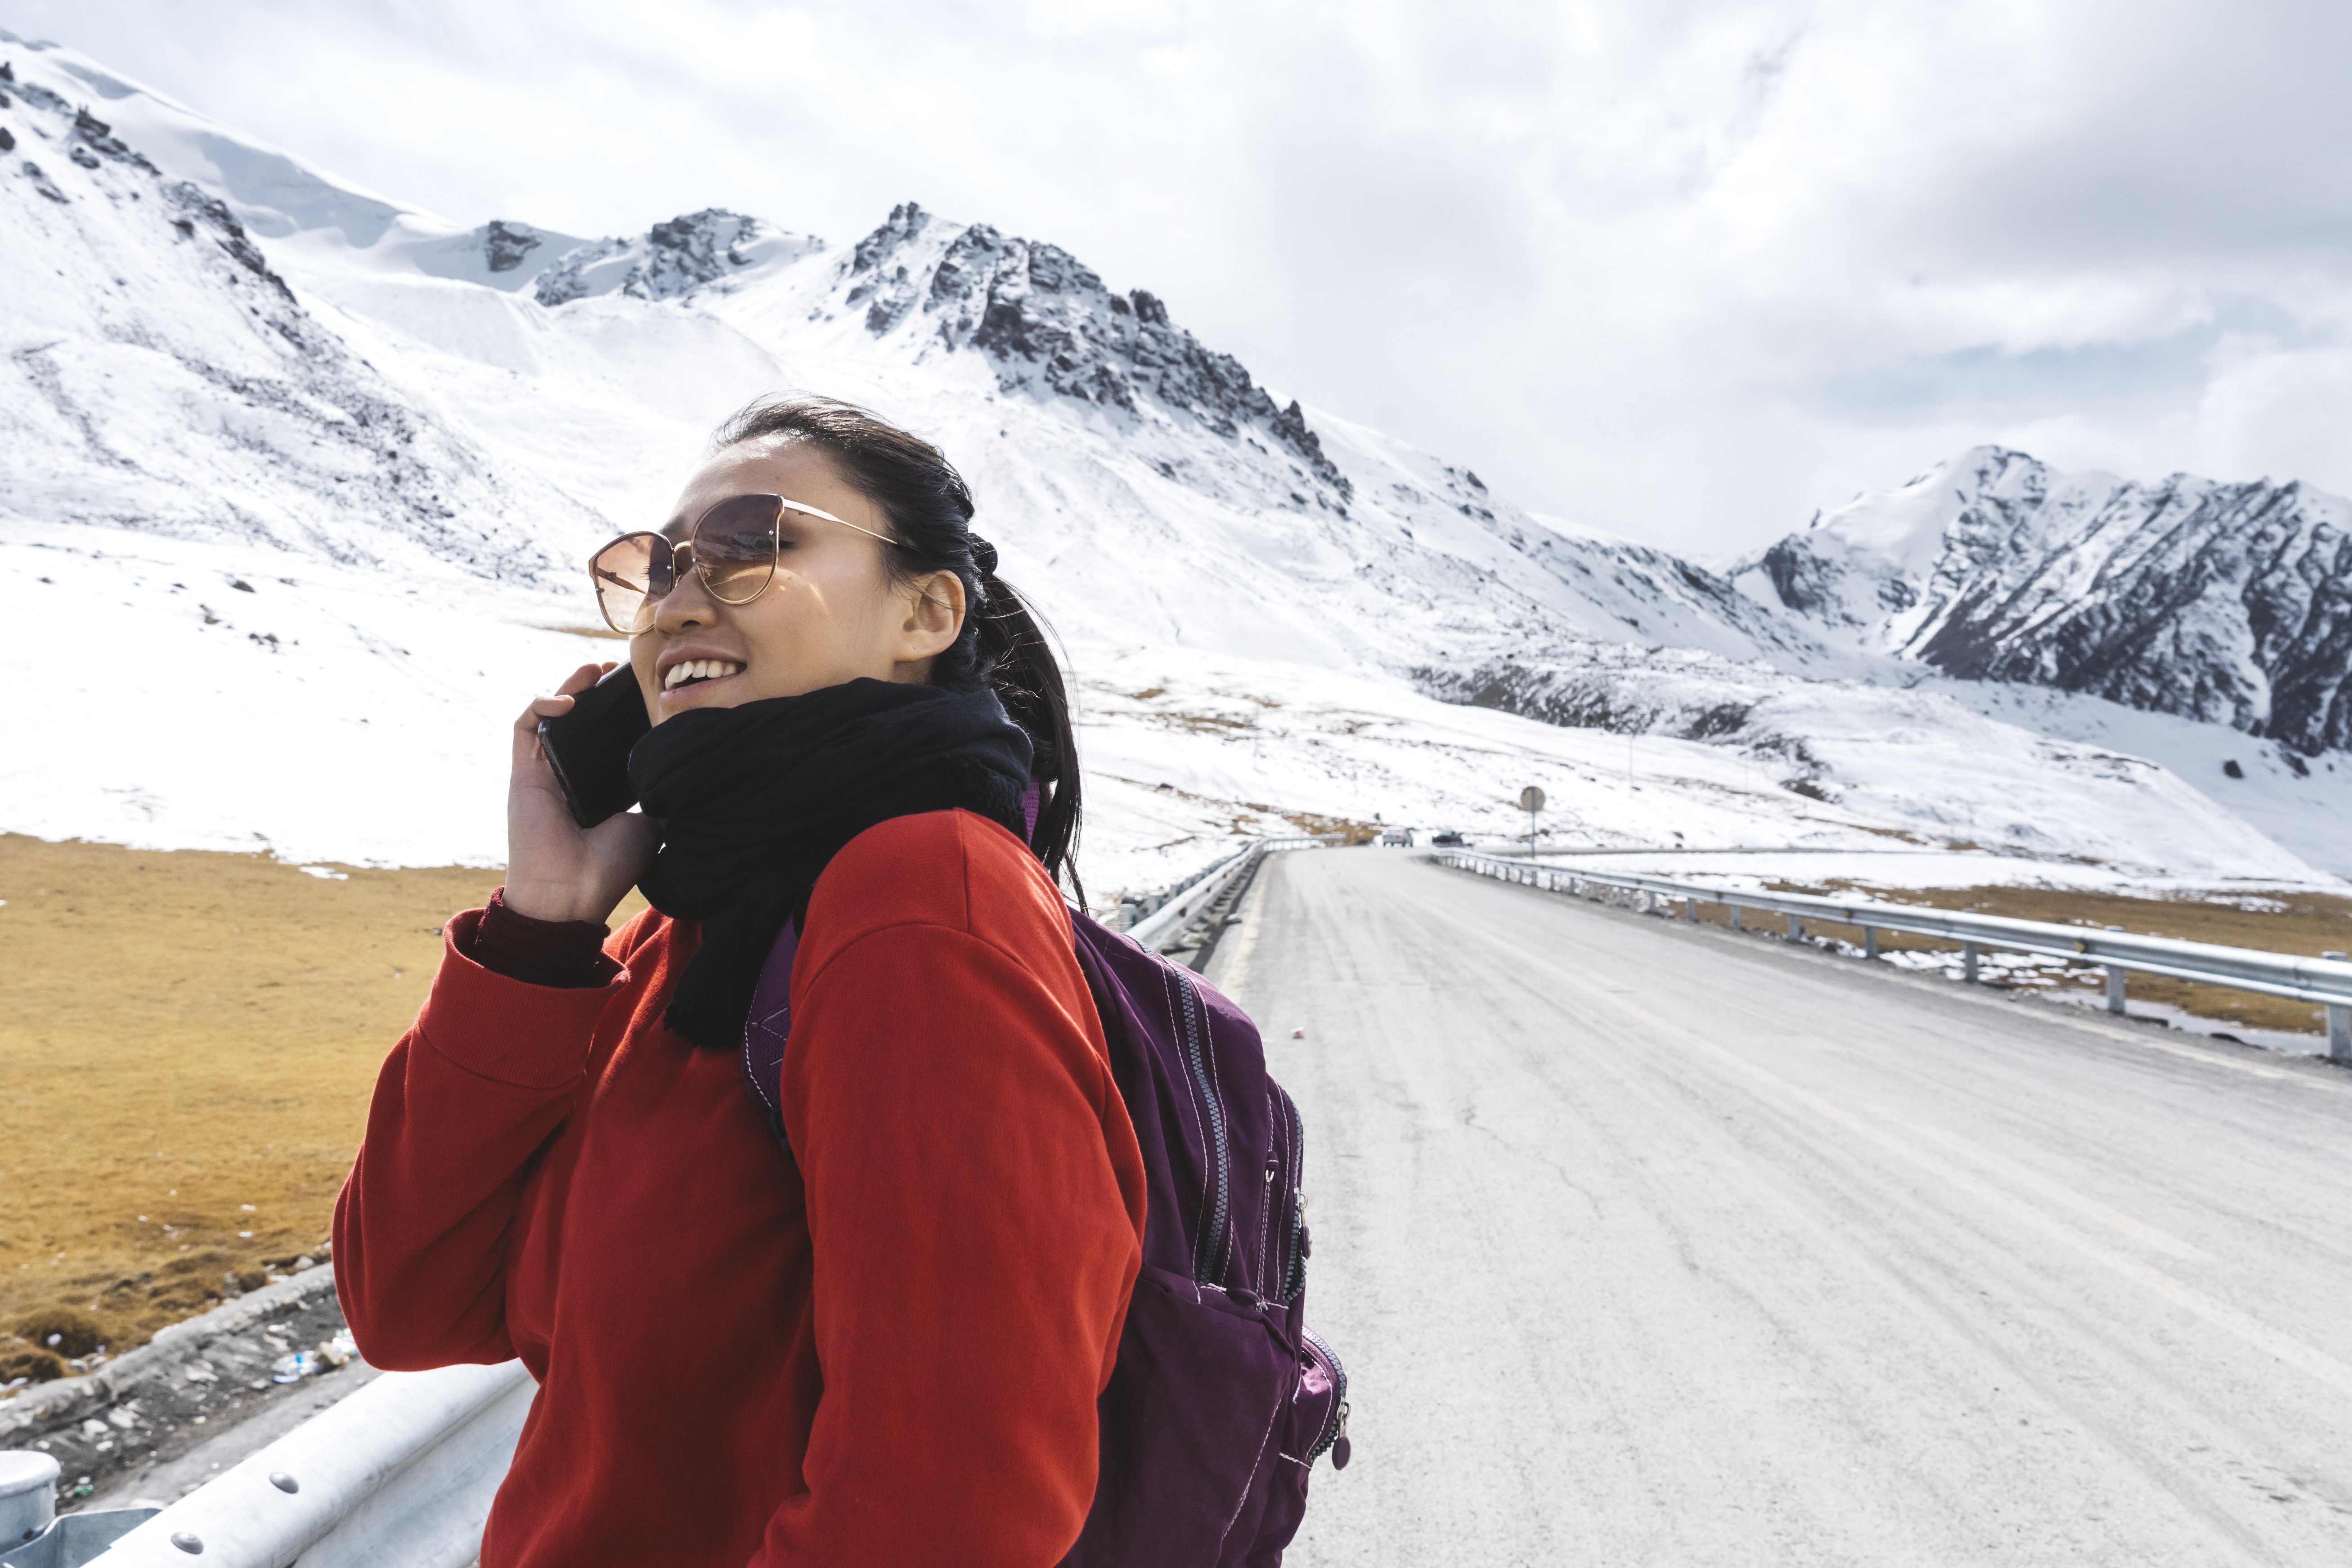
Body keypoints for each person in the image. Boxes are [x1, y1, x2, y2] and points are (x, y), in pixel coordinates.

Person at [334, 395, 1148, 1567]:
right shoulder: (676, 939)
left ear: (924, 611)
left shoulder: (919, 902)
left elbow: (951, 1514)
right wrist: (541, 933)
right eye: (657, 566)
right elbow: (408, 1305)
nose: (676, 595)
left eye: (753, 543)